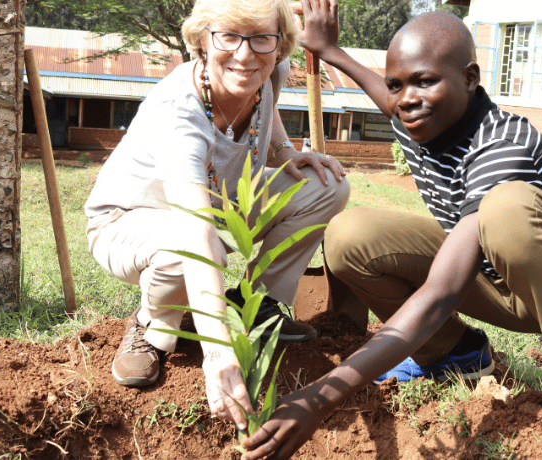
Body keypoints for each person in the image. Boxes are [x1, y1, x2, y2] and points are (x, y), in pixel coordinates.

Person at [241, 1, 542, 460]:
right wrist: (329, 50)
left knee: (506, 207)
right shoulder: (422, 115)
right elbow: (389, 90)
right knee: (349, 234)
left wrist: (321, 398)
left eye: (425, 80)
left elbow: (443, 290)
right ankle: (457, 354)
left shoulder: (504, 144)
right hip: (494, 276)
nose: (407, 98)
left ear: (470, 78)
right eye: (397, 86)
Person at [83, 0, 349, 432]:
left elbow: (267, 102)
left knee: (328, 185)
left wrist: (286, 154)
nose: (245, 55)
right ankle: (153, 326)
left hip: (220, 199)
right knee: (180, 249)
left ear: (279, 44)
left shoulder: (269, 70)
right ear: (202, 41)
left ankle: (257, 306)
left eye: (262, 38)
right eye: (229, 36)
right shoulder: (181, 111)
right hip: (127, 221)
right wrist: (218, 352)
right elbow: (195, 230)